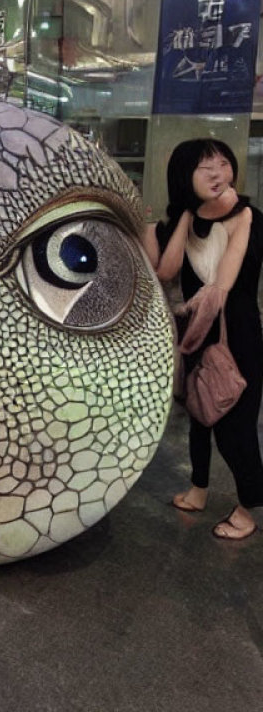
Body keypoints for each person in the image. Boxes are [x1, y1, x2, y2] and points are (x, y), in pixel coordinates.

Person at [141, 138, 263, 540]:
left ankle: (247, 508)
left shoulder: (249, 217)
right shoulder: (182, 220)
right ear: (184, 177)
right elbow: (164, 271)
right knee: (198, 415)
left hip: (237, 330)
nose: (218, 174)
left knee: (236, 424)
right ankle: (198, 488)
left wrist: (236, 219)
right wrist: (166, 223)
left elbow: (227, 283)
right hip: (195, 331)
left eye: (223, 165)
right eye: (205, 168)